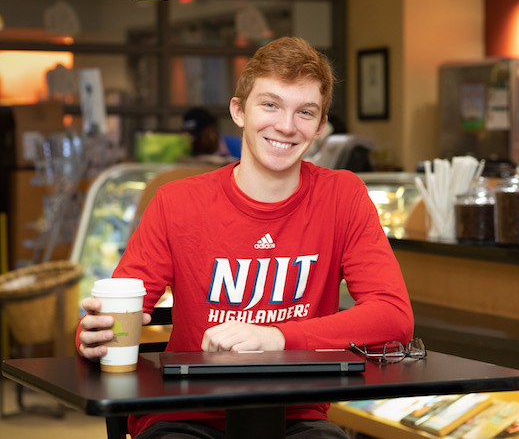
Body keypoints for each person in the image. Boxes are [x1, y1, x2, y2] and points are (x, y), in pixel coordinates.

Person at [76, 36, 415, 439]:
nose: (286, 126)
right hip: (185, 416)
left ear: (321, 126)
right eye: (270, 104)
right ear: (238, 111)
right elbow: (115, 315)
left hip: (297, 415)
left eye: (304, 112)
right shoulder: (177, 202)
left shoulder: (343, 196)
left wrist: (276, 337)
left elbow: (394, 317)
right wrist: (90, 335)